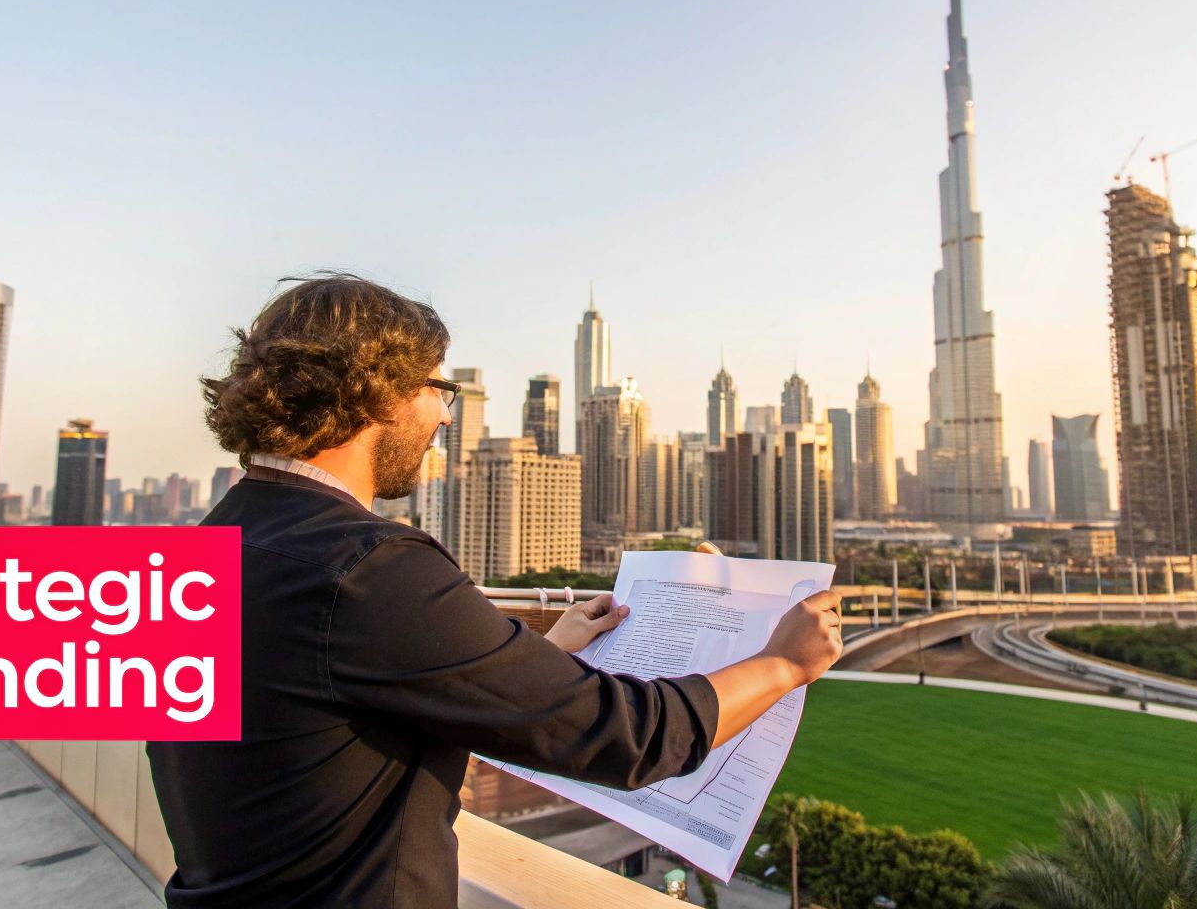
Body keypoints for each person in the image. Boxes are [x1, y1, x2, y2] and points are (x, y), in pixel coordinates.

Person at [147, 273, 843, 908]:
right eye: (435, 389)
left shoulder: (194, 554)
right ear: (374, 390)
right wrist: (783, 662)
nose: (446, 416)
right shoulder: (369, 567)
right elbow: (631, 736)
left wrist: (537, 653)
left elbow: (329, 726)